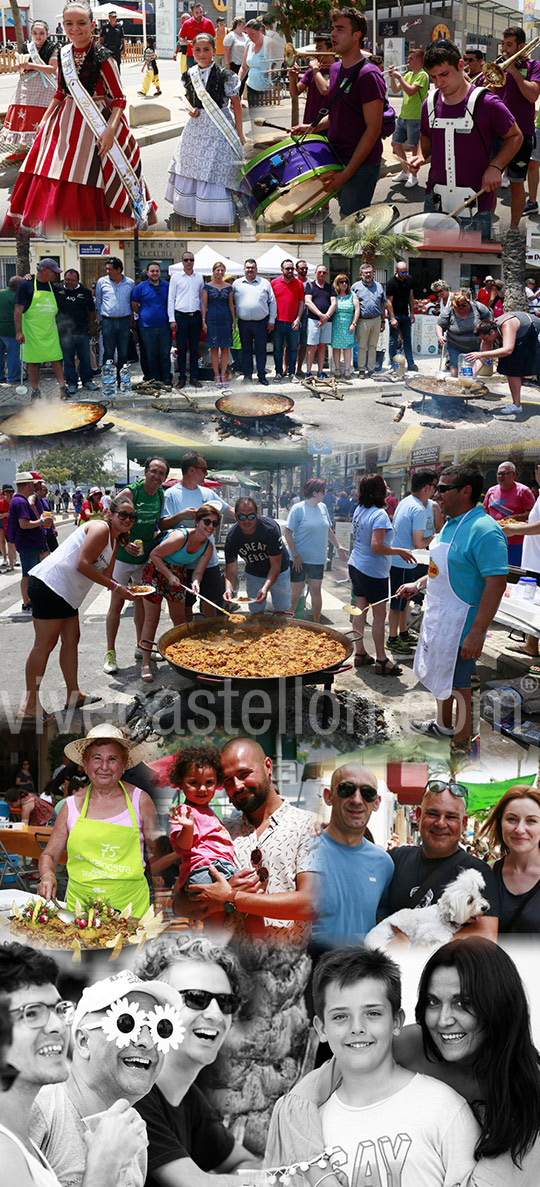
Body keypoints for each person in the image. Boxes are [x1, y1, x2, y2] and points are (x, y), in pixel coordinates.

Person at [265, 947, 480, 1187]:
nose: (357, 1027)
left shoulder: (444, 1108)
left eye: (373, 1013)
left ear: (397, 1021)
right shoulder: (308, 1129)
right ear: (321, 1028)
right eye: (340, 1016)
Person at [0, 944, 145, 1187]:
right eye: (32, 1013)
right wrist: (104, 1164)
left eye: (58, 1009)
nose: (57, 1025)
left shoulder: (21, 1142)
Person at [398, 939, 540, 1185]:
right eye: (433, 1002)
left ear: (498, 1006)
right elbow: (315, 1090)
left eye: (463, 1003)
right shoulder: (408, 1045)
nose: (442, 1020)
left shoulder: (528, 1095)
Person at [4, 2, 155, 234]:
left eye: (81, 23)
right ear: (62, 26)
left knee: (90, 174)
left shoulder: (104, 57)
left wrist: (109, 131)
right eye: (69, 24)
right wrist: (45, 121)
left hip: (97, 122)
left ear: (92, 25)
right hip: (63, 120)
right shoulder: (64, 54)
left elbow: (118, 99)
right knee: (53, 171)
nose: (75, 29)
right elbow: (60, 92)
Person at [31, 969, 180, 1187]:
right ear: (83, 1042)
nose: (147, 1042)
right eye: (127, 1025)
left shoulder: (132, 1130)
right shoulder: (41, 1108)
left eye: (160, 1029)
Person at [134, 936, 260, 1186]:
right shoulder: (135, 1095)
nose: (215, 1014)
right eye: (195, 998)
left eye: (225, 1002)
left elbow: (247, 1163)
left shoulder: (188, 1098)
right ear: (153, 1009)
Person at [397, 464, 508, 747]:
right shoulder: (449, 524)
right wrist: (418, 584)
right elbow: (440, 568)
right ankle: (443, 725)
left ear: (466, 491)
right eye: (437, 488)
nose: (437, 495)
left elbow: (496, 585)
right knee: (439, 674)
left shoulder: (484, 530)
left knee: (460, 685)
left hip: (462, 622)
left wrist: (477, 632)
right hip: (438, 616)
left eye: (444, 488)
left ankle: (461, 742)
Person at [176, 737, 317, 942]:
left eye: (244, 774)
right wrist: (214, 897)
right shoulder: (218, 831)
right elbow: (178, 904)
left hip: (287, 965)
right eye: (227, 781)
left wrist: (230, 898)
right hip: (228, 965)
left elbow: (310, 904)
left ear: (268, 766)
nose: (238, 786)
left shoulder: (308, 826)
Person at [22, 494, 137, 718]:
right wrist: (117, 588)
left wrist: (125, 580)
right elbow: (83, 564)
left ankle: (73, 694)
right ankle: (29, 704)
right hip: (50, 585)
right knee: (44, 645)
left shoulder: (113, 539)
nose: (127, 519)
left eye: (132, 516)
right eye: (122, 514)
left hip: (66, 593)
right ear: (110, 514)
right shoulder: (100, 528)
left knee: (71, 640)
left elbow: (107, 575)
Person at [37, 724, 156, 913]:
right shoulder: (70, 806)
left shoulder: (140, 801)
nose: (104, 767)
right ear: (85, 764)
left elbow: (157, 854)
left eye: (112, 759)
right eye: (97, 758)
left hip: (132, 911)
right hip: (81, 913)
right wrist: (47, 875)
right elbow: (49, 855)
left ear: (124, 764)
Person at [409, 40, 522, 238]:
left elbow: (515, 136)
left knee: (472, 267)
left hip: (475, 207)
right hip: (434, 200)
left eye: (444, 74)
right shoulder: (429, 103)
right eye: (434, 77)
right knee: (434, 264)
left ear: (461, 66)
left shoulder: (487, 102)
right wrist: (420, 155)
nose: (439, 83)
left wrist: (496, 167)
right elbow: (426, 137)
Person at [291, 8, 386, 218]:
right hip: (335, 157)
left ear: (356, 36)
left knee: (351, 227)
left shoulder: (369, 75)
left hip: (360, 166)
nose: (333, 34)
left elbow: (374, 128)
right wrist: (311, 127)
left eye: (340, 29)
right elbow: (338, 114)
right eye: (333, 28)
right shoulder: (335, 69)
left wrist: (346, 174)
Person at [380, 779, 500, 939]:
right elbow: (377, 916)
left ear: (463, 823)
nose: (441, 823)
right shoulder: (395, 859)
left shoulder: (478, 873)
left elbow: (486, 936)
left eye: (451, 817)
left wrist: (416, 948)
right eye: (432, 814)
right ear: (418, 815)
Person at [166, 34, 245, 229]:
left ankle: (216, 214)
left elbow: (236, 104)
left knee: (215, 168)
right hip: (197, 126)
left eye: (206, 49)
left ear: (213, 51)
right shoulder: (188, 74)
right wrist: (190, 109)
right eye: (197, 50)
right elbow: (188, 98)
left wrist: (240, 133)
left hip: (220, 127)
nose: (202, 54)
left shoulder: (226, 75)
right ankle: (195, 211)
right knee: (190, 165)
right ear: (192, 51)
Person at [312, 763, 394, 946]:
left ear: (377, 802)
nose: (357, 799)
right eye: (346, 789)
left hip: (360, 972)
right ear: (328, 796)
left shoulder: (384, 863)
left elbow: (381, 923)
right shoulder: (304, 849)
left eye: (367, 793)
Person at [139, 503, 219, 682]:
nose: (210, 527)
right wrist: (168, 575)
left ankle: (183, 659)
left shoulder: (208, 547)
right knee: (152, 620)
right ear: (197, 521)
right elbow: (154, 555)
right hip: (155, 572)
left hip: (178, 574)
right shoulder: (179, 537)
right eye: (207, 521)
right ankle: (145, 663)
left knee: (180, 620)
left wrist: (196, 583)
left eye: (215, 524)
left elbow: (198, 572)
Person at [104, 456, 169, 675]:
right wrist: (124, 541)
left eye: (161, 474)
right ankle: (110, 652)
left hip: (145, 559)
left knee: (142, 603)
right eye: (154, 471)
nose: (157, 477)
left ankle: (141, 646)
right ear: (145, 472)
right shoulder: (131, 493)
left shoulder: (160, 494)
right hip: (122, 558)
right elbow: (108, 518)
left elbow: (156, 524)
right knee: (117, 603)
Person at [347, 472, 415, 675]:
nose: (387, 487)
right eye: (384, 485)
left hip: (356, 565)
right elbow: (376, 546)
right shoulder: (379, 514)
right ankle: (382, 660)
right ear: (379, 490)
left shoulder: (360, 509)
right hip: (372, 571)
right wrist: (399, 551)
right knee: (379, 615)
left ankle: (360, 653)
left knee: (360, 609)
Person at [159, 451, 232, 617]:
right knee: (186, 606)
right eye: (204, 469)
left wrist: (250, 518)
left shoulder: (207, 493)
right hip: (182, 563)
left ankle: (211, 638)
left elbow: (229, 511)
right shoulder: (171, 494)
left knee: (211, 602)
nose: (206, 473)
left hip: (209, 559)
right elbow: (163, 525)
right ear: (192, 470)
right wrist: (181, 516)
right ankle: (189, 639)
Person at [167, 744, 237, 905]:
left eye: (209, 782)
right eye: (194, 782)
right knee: (248, 893)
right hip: (204, 870)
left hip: (217, 868)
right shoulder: (186, 811)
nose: (202, 788)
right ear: (180, 782)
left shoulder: (208, 811)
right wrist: (188, 827)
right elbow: (184, 845)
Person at [492, 27, 540, 226]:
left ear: (521, 47)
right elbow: (492, 94)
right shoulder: (498, 65)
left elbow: (532, 95)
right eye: (503, 44)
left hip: (522, 132)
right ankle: (487, 225)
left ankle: (513, 229)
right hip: (498, 131)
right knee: (491, 182)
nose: (504, 49)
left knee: (516, 183)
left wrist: (513, 70)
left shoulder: (533, 65)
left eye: (509, 45)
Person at [387, 469, 438, 655]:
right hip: (403, 561)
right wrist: (436, 538)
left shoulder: (406, 501)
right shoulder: (419, 509)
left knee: (404, 600)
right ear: (426, 487)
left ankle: (403, 632)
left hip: (402, 560)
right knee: (397, 602)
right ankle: (392, 639)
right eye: (434, 486)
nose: (435, 491)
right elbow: (419, 543)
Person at [477, 785, 540, 933]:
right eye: (512, 819)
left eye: (531, 821)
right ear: (500, 823)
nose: (519, 829)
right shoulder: (486, 875)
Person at [284, 478, 348, 623]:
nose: (325, 494)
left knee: (316, 591)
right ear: (314, 493)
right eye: (323, 491)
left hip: (317, 559)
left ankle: (317, 624)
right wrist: (295, 556)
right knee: (295, 593)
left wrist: (338, 546)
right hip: (298, 559)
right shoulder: (298, 508)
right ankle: (288, 624)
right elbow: (288, 533)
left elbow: (328, 529)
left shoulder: (323, 507)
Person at [0, 21, 57, 163]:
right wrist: (22, 67)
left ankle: (43, 149)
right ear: (31, 34)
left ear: (47, 34)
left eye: (42, 33)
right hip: (26, 84)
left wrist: (31, 65)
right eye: (35, 33)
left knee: (43, 117)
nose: (38, 36)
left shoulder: (53, 47)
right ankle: (21, 149)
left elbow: (52, 68)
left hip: (44, 85)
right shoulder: (27, 47)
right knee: (23, 116)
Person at [224, 496, 291, 614]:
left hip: (279, 570)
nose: (246, 521)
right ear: (235, 516)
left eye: (251, 516)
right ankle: (257, 631)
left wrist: (265, 588)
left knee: (282, 610)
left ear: (257, 514)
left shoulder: (269, 529)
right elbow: (230, 570)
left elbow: (275, 566)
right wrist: (228, 589)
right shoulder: (232, 536)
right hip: (254, 572)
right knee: (256, 611)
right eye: (242, 517)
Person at [14, 261, 67, 401]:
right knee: (33, 362)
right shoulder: (26, 285)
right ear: (44, 270)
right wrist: (18, 332)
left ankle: (63, 388)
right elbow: (18, 310)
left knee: (56, 359)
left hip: (50, 331)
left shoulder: (53, 287)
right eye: (54, 272)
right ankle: (35, 391)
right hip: (32, 332)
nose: (56, 274)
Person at [467, 312, 540, 414]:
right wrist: (471, 375)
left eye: (485, 339)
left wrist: (480, 354)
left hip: (533, 331)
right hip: (516, 338)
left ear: (492, 332)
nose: (484, 341)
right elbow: (483, 357)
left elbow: (508, 350)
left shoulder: (507, 324)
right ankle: (516, 405)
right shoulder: (487, 333)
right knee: (511, 369)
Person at [6, 472, 48, 614]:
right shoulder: (20, 502)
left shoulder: (19, 500)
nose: (35, 487)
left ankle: (30, 601)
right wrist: (41, 521)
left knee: (31, 573)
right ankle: (26, 602)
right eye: (34, 485)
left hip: (30, 543)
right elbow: (24, 524)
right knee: (28, 574)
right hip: (28, 543)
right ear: (29, 485)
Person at [389, 48, 429, 185]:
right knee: (395, 143)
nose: (408, 61)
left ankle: (414, 175)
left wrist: (399, 76)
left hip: (416, 117)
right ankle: (405, 171)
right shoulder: (409, 75)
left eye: (411, 58)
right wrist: (392, 77)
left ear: (419, 60)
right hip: (403, 115)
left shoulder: (423, 75)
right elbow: (395, 90)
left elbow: (411, 91)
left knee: (413, 147)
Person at [232, 259, 276, 385]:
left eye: (252, 267)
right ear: (244, 269)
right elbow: (232, 303)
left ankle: (262, 375)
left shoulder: (265, 283)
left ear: (256, 269)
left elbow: (272, 302)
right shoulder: (236, 284)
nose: (250, 270)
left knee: (261, 350)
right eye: (247, 267)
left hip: (260, 322)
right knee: (246, 351)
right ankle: (247, 376)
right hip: (243, 323)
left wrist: (272, 320)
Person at [483, 460, 535, 566]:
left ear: (513, 474)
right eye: (499, 474)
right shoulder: (491, 491)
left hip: (515, 542)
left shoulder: (523, 491)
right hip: (494, 538)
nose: (501, 477)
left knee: (512, 571)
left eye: (505, 474)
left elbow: (533, 513)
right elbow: (485, 511)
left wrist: (516, 518)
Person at [56, 268, 97, 395]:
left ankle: (87, 381)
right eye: (67, 279)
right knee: (68, 359)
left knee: (84, 357)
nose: (69, 282)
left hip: (82, 331)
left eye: (72, 280)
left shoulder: (85, 292)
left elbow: (91, 311)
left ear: (78, 281)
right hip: (64, 333)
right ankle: (72, 383)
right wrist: (29, 276)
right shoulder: (58, 290)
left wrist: (91, 327)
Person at [95, 259, 135, 385]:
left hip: (124, 321)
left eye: (110, 269)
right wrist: (100, 322)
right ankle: (109, 380)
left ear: (119, 270)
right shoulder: (102, 282)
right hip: (108, 322)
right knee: (108, 352)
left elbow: (132, 302)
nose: (108, 271)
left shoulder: (130, 283)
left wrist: (132, 321)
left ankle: (122, 380)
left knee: (123, 352)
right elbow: (98, 303)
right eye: (106, 269)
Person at [167, 251, 204, 389]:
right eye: (186, 259)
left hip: (195, 317)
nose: (189, 262)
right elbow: (171, 299)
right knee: (181, 350)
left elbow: (201, 299)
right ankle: (182, 378)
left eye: (191, 259)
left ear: (194, 261)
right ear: (182, 261)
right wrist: (172, 319)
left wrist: (202, 318)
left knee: (195, 349)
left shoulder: (199, 278)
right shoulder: (175, 278)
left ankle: (194, 377)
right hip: (180, 317)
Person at [131, 262, 171, 385]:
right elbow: (134, 304)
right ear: (147, 272)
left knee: (164, 353)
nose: (154, 273)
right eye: (152, 271)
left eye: (157, 271)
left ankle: (166, 378)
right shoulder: (140, 287)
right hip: (146, 326)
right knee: (151, 354)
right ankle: (153, 379)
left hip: (164, 325)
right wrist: (144, 314)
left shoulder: (167, 286)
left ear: (160, 272)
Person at [436, 289, 491, 377]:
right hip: (455, 345)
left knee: (472, 371)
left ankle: (468, 386)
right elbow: (439, 325)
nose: (460, 307)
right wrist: (440, 336)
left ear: (469, 302)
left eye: (463, 305)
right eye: (457, 305)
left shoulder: (478, 307)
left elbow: (489, 320)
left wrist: (487, 335)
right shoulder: (448, 311)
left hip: (475, 345)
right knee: (455, 371)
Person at [288, 36, 333, 127]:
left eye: (319, 49)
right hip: (309, 123)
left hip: (327, 124)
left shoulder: (337, 70)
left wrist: (315, 68)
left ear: (330, 50)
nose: (316, 52)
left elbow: (325, 90)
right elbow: (294, 94)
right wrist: (292, 78)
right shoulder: (311, 71)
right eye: (316, 49)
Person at [202, 261, 235, 386]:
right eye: (218, 270)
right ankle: (216, 375)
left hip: (226, 319)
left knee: (225, 348)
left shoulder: (229, 287)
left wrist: (233, 322)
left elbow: (231, 305)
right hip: (212, 319)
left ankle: (223, 374)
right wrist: (203, 321)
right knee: (214, 348)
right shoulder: (207, 287)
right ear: (213, 271)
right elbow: (204, 305)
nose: (220, 272)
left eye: (222, 270)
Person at [271, 260, 305, 381]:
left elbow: (302, 303)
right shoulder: (274, 283)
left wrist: (298, 318)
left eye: (292, 268)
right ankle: (279, 372)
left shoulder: (299, 284)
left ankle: (291, 373)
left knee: (293, 349)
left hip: (293, 322)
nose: (290, 271)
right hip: (278, 322)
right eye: (287, 269)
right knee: (278, 349)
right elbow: (270, 302)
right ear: (282, 270)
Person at [352, 263, 386, 378]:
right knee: (362, 346)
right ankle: (362, 369)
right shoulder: (355, 287)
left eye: (370, 272)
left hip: (376, 319)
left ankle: (371, 369)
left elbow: (383, 304)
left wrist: (383, 321)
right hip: (363, 321)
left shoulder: (379, 286)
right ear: (361, 274)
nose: (368, 275)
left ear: (373, 273)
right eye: (366, 273)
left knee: (373, 346)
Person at [304, 264, 336, 379]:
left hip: (327, 322)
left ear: (327, 274)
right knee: (312, 347)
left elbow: (334, 303)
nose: (321, 274)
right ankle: (308, 372)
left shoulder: (330, 287)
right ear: (315, 273)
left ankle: (320, 371)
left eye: (324, 272)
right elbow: (308, 302)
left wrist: (326, 317)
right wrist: (320, 315)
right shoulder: (310, 286)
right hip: (313, 320)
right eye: (319, 272)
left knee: (322, 347)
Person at [385, 262, 418, 373]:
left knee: (407, 339)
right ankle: (394, 363)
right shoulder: (391, 283)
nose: (404, 274)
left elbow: (411, 296)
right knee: (394, 340)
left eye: (405, 272)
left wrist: (412, 312)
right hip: (395, 314)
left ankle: (411, 363)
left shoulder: (409, 280)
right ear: (396, 271)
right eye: (402, 272)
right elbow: (389, 301)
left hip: (405, 314)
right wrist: (392, 318)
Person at [239, 20, 272, 108]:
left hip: (266, 89)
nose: (249, 37)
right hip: (251, 87)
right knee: (254, 119)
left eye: (252, 34)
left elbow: (281, 61)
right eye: (248, 34)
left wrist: (273, 70)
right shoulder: (249, 45)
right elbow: (244, 67)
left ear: (260, 30)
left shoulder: (269, 44)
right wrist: (238, 81)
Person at [0, 276, 23, 386]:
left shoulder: (1, 294)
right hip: (10, 330)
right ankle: (13, 377)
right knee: (13, 354)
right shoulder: (16, 297)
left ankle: (0, 376)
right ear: (18, 286)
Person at [182, 2, 216, 70]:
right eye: (197, 13)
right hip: (191, 55)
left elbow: (214, 38)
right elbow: (181, 38)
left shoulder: (209, 23)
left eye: (200, 12)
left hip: (206, 55)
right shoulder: (187, 23)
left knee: (207, 76)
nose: (199, 14)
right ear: (192, 13)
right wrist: (188, 42)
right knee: (192, 77)